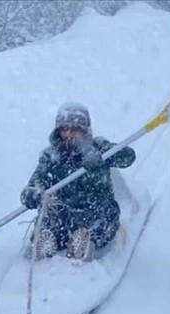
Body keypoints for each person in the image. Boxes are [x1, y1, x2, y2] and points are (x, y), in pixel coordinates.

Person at [20, 102, 136, 261]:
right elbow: (35, 182)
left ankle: (86, 243)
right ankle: (46, 242)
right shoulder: (50, 156)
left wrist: (104, 156)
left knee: (104, 219)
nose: (68, 134)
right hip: (64, 212)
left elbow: (128, 157)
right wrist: (32, 194)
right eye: (63, 129)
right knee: (49, 218)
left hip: (94, 208)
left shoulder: (99, 146)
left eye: (74, 129)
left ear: (84, 129)